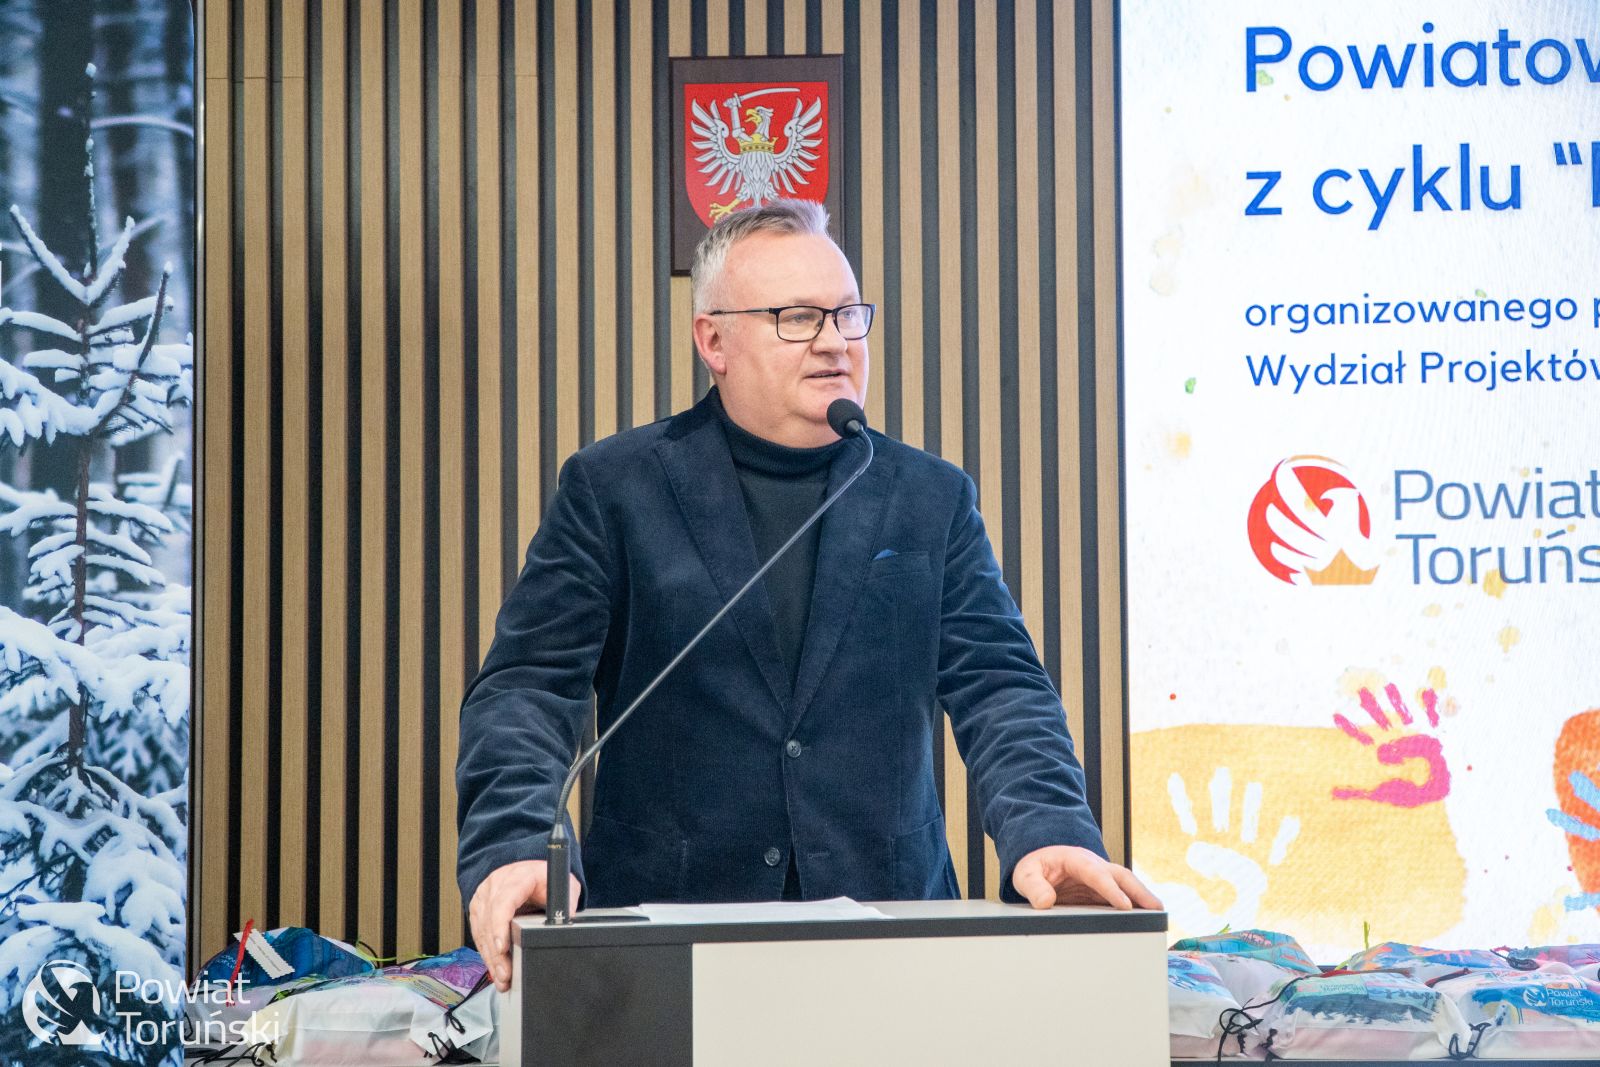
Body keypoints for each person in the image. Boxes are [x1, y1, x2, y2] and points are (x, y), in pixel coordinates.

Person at [457, 199, 1159, 992]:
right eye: (796, 318)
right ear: (713, 341)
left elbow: (1002, 689)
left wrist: (1050, 829)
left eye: (848, 315)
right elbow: (527, 688)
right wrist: (516, 844)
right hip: (667, 943)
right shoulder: (614, 489)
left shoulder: (928, 497)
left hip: (891, 932)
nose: (834, 341)